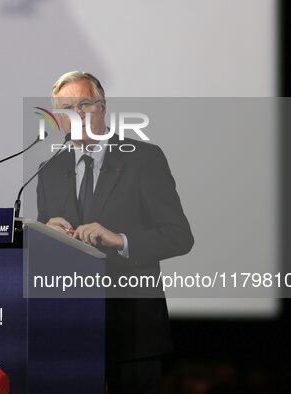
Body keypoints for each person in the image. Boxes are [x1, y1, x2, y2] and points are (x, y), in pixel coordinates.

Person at [36, 71, 194, 393]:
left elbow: (179, 235)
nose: (77, 114)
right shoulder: (49, 170)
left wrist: (119, 240)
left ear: (102, 107)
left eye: (84, 104)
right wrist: (48, 236)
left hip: (134, 324)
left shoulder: (144, 159)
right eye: (67, 108)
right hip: (72, 326)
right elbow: (43, 254)